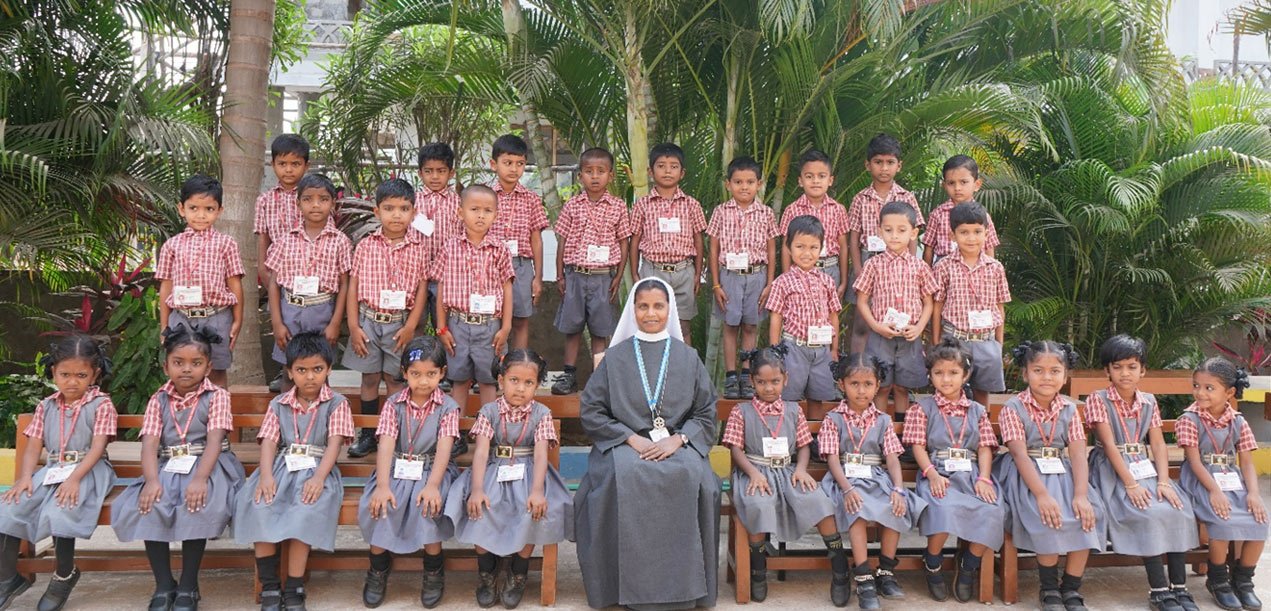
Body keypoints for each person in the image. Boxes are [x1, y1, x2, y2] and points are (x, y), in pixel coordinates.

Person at [574, 277, 720, 610]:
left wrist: (679, 439)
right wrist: (630, 438)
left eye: (658, 306)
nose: (651, 313)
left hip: (678, 443)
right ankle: (620, 589)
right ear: (633, 310)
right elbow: (592, 410)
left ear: (670, 309)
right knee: (618, 477)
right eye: (643, 306)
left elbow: (706, 412)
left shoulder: (688, 357)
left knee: (696, 477)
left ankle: (688, 591)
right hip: (625, 443)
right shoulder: (615, 358)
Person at [111, 324, 245, 611]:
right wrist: (151, 481)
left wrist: (200, 479)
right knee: (149, 504)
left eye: (196, 363)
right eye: (178, 362)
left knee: (196, 504)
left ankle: (188, 584)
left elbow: (214, 441)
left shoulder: (217, 396)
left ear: (208, 367)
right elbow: (149, 444)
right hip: (168, 465)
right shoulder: (158, 399)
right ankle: (163, 584)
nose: (186, 369)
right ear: (166, 366)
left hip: (210, 466)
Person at [234, 334, 353, 611]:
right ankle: (270, 586)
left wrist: (319, 478)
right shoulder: (279, 404)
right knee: (260, 504)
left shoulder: (337, 403)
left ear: (329, 369)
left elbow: (334, 444)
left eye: (317, 369)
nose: (310, 377)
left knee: (305, 511)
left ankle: (294, 588)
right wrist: (266, 476)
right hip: (281, 468)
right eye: (301, 370)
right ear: (289, 372)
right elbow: (269, 442)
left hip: (318, 469)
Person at [446, 350, 572, 609]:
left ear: (537, 385)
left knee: (534, 509)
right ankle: (487, 570)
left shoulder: (541, 413)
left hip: (530, 473)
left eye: (529, 383)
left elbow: (540, 455)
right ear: (501, 381)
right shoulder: (489, 411)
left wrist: (537, 491)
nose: (521, 388)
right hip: (493, 469)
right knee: (479, 506)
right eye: (514, 380)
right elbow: (482, 452)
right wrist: (477, 489)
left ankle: (518, 570)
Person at [0, 335, 116, 611]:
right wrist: (25, 477)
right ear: (54, 372)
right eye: (65, 374)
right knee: (9, 508)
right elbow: (33, 447)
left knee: (61, 509)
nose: (72, 382)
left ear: (94, 374)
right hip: (53, 470)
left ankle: (64, 574)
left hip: (88, 470)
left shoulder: (101, 405)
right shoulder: (46, 406)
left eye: (81, 375)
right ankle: (7, 579)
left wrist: (74, 478)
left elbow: (98, 448)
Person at [1085, 335, 1199, 611]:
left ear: (1143, 370)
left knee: (1178, 509)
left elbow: (1157, 443)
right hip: (1112, 471)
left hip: (1144, 467)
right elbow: (1109, 445)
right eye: (1118, 367)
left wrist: (1164, 481)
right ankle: (1159, 590)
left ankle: (1179, 588)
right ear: (1107, 371)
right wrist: (1130, 484)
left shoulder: (1148, 401)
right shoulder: (1098, 399)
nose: (1125, 373)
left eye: (1132, 367)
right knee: (1148, 513)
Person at [721, 348, 837, 603]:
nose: (769, 388)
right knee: (758, 504)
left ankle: (839, 566)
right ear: (752, 382)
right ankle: (759, 569)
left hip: (788, 471)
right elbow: (735, 449)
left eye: (775, 381)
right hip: (755, 471)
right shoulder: (741, 411)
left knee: (817, 500)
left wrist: (801, 469)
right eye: (761, 382)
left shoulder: (794, 410)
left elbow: (804, 445)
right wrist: (753, 473)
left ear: (785, 379)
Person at [994, 341, 1102, 611]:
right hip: (1025, 474)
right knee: (1047, 516)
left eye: (1055, 371)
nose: (1047, 377)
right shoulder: (1013, 408)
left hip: (1062, 471)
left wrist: (1081, 494)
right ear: (1025, 373)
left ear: (1065, 376)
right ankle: (1049, 587)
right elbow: (1019, 455)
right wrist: (1042, 495)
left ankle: (1071, 586)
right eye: (1038, 370)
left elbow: (1078, 454)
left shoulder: (1069, 409)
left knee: (1090, 513)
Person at [818, 353, 926, 610]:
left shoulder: (883, 420)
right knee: (858, 508)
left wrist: (898, 489)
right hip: (844, 479)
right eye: (854, 384)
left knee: (895, 506)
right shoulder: (833, 419)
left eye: (868, 384)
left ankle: (886, 571)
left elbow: (892, 459)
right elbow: (832, 459)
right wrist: (847, 489)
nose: (861, 390)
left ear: (877, 386)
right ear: (842, 385)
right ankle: (864, 576)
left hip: (875, 478)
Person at [360, 337, 461, 609]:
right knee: (382, 505)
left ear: (442, 373)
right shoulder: (393, 404)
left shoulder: (448, 407)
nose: (423, 381)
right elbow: (385, 445)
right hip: (395, 468)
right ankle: (378, 567)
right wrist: (382, 485)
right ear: (404, 373)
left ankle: (433, 569)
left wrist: (433, 485)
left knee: (427, 505)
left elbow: (444, 449)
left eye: (431, 374)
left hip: (432, 470)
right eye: (416, 374)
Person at [901, 338, 1003, 603]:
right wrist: (932, 474)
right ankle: (932, 561)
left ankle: (968, 564)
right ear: (930, 375)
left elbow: (984, 448)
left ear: (965, 375)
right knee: (942, 509)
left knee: (993, 510)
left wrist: (984, 478)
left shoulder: (977, 410)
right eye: (939, 373)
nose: (946, 379)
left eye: (953, 373)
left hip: (971, 474)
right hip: (938, 472)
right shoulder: (921, 408)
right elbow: (918, 446)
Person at [343, 178, 430, 459]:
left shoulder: (419, 248)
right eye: (389, 208)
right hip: (368, 321)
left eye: (404, 209)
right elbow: (353, 287)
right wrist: (353, 326)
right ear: (377, 211)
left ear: (414, 212)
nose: (396, 215)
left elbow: (421, 290)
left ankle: (394, 433)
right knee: (369, 378)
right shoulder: (365, 246)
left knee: (395, 379)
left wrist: (411, 326)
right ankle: (368, 434)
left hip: (400, 325)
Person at [1176, 357, 1266, 611]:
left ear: (1229, 393)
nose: (1200, 393)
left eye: (1209, 388)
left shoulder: (1238, 421)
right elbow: (1194, 462)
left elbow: (1246, 462)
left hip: (1231, 479)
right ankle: (1218, 581)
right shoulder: (1189, 419)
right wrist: (1214, 491)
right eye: (1196, 386)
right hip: (1202, 480)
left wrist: (1254, 493)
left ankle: (1243, 581)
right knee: (1222, 521)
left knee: (1259, 520)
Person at [551, 147, 631, 394]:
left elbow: (624, 242)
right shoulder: (572, 205)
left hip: (603, 277)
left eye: (601, 171)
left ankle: (598, 379)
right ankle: (569, 375)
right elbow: (562, 240)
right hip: (575, 275)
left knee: (600, 330)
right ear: (580, 176)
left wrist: (618, 275)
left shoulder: (618, 207)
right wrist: (560, 274)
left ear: (611, 175)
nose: (594, 177)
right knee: (572, 328)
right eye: (588, 171)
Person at [156, 174, 244, 388]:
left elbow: (235, 284)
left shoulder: (226, 244)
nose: (201, 215)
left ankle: (218, 409)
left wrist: (237, 320)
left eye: (209, 209)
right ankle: (184, 409)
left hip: (216, 317)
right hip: (181, 318)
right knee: (182, 373)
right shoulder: (171, 245)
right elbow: (166, 286)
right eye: (193, 208)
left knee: (217, 371)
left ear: (219, 210)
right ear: (181, 208)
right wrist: (164, 324)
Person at [264, 173, 351, 387]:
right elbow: (274, 283)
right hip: (290, 311)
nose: (315, 205)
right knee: (289, 371)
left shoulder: (340, 241)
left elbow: (344, 285)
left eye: (323, 199)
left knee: (320, 371)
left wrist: (335, 323)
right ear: (298, 203)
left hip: (322, 311)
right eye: (308, 199)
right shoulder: (285, 240)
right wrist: (277, 322)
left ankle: (321, 409)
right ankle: (287, 409)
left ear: (333, 204)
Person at [435, 185, 516, 410]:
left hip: (489, 326)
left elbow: (507, 289)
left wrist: (506, 327)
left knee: (488, 381)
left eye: (487, 211)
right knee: (459, 380)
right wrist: (441, 327)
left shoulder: (500, 249)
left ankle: (487, 427)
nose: (481, 215)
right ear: (460, 213)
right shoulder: (450, 247)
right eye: (474, 209)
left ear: (496, 215)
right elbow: (441, 287)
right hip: (458, 324)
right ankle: (456, 428)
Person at [853, 201, 936, 414]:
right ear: (880, 231)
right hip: (881, 336)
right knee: (882, 386)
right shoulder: (873, 265)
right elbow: (862, 301)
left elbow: (929, 302)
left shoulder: (920, 267)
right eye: (888, 230)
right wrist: (876, 326)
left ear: (913, 233)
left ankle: (901, 427)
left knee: (902, 387)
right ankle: (882, 427)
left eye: (901, 230)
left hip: (909, 337)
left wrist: (919, 328)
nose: (894, 236)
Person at [707, 156, 779, 399]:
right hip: (729, 276)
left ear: (759, 184)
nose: (744, 187)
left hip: (756, 275)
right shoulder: (720, 212)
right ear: (728, 184)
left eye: (750, 182)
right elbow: (713, 249)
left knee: (750, 325)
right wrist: (716, 284)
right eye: (738, 182)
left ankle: (747, 374)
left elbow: (771, 249)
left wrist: (769, 283)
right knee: (730, 325)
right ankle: (731, 376)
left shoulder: (766, 213)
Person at [846, 133, 924, 353]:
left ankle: (890, 366)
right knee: (861, 321)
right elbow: (854, 237)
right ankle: (857, 366)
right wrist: (859, 270)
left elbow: (913, 236)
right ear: (868, 165)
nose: (884, 168)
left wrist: (909, 266)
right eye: (878, 162)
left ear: (899, 166)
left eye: (890, 162)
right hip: (867, 260)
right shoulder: (860, 199)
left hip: (899, 264)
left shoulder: (906, 197)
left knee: (895, 314)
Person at [930, 201, 1010, 406]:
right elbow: (937, 306)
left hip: (986, 341)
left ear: (986, 234)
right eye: (964, 232)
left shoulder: (995, 268)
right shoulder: (944, 266)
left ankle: (982, 424)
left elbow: (1000, 306)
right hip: (954, 339)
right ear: (952, 235)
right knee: (950, 390)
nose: (971, 238)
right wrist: (936, 341)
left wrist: (998, 345)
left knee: (982, 392)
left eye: (977, 232)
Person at [628, 143, 707, 345]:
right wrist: (635, 274)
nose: (667, 171)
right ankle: (653, 363)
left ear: (682, 173)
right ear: (650, 171)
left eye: (673, 166)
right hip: (653, 270)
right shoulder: (642, 205)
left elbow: (698, 239)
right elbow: (634, 240)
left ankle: (683, 363)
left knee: (683, 326)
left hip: (684, 272)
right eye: (661, 166)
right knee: (652, 324)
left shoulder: (692, 204)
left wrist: (697, 274)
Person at [765, 215, 841, 413]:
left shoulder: (827, 281)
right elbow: (776, 316)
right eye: (800, 247)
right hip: (793, 348)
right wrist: (775, 351)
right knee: (789, 397)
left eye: (813, 247)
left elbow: (833, 315)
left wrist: (834, 349)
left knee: (818, 398)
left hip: (822, 349)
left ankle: (815, 431)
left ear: (821, 249)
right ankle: (790, 431)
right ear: (789, 248)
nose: (807, 253)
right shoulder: (782, 282)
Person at [487, 134, 548, 350]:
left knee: (521, 320)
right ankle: (495, 365)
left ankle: (519, 364)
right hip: (489, 265)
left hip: (520, 266)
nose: (514, 169)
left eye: (520, 164)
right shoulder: (485, 195)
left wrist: (538, 277)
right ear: (494, 164)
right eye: (508, 163)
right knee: (492, 319)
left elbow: (536, 240)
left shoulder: (531, 198)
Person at [778, 149, 850, 300]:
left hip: (830, 270)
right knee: (801, 310)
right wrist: (786, 278)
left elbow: (843, 246)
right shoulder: (792, 210)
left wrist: (843, 281)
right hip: (799, 272)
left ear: (830, 180)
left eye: (821, 176)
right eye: (809, 176)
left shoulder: (838, 210)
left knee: (828, 312)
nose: (815, 181)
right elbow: (785, 247)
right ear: (800, 181)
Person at [413, 142, 463, 334]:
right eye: (429, 171)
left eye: (441, 171)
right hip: (416, 273)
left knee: (444, 323)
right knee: (415, 322)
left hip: (446, 275)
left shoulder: (459, 204)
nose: (434, 176)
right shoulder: (411, 202)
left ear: (451, 173)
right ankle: (415, 353)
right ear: (420, 173)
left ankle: (442, 353)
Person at [922, 155, 999, 265]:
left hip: (976, 267)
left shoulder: (984, 216)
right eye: (951, 183)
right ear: (944, 185)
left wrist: (990, 270)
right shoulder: (938, 214)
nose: (957, 188)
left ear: (977, 184)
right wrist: (926, 273)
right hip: (944, 267)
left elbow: (989, 247)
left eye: (963, 182)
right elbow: (929, 248)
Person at [254, 134, 311, 279]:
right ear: (273, 164)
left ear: (306, 166)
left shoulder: (314, 198)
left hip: (310, 269)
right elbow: (263, 240)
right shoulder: (265, 200)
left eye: (295, 164)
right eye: (282, 164)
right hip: (277, 271)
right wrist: (263, 272)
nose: (288, 170)